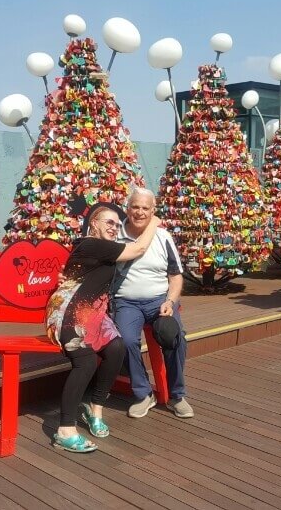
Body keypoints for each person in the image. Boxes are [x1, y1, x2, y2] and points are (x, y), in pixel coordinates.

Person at [45, 202, 161, 453]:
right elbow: (139, 248)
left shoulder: (102, 249)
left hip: (94, 315)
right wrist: (153, 220)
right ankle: (65, 430)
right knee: (85, 362)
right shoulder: (90, 243)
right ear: (93, 224)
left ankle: (94, 408)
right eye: (109, 222)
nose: (114, 227)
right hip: (70, 314)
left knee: (116, 348)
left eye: (117, 225)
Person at [113, 188, 193, 419]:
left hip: (159, 301)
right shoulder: (115, 234)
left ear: (153, 211)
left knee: (175, 337)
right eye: (135, 206)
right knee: (125, 341)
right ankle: (143, 393)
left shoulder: (163, 237)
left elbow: (176, 276)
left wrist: (170, 301)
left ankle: (177, 395)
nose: (139, 212)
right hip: (126, 302)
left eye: (145, 208)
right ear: (127, 208)